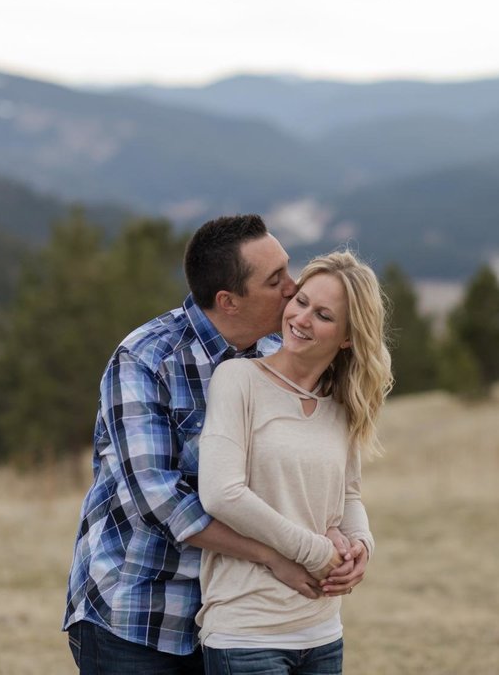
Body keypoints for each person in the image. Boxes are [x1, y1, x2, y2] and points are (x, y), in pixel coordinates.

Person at [63, 215, 366, 674]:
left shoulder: (275, 355)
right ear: (229, 301)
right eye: (275, 280)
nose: (293, 288)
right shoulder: (146, 359)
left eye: (288, 269)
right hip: (141, 612)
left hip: (235, 615)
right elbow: (160, 501)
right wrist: (276, 555)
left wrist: (350, 541)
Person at [196, 250, 391, 675]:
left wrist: (361, 544)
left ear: (346, 337)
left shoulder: (342, 404)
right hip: (246, 632)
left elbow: (349, 493)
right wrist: (318, 552)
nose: (301, 319)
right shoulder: (238, 380)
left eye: (323, 315)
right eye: (301, 301)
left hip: (322, 632)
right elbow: (221, 494)